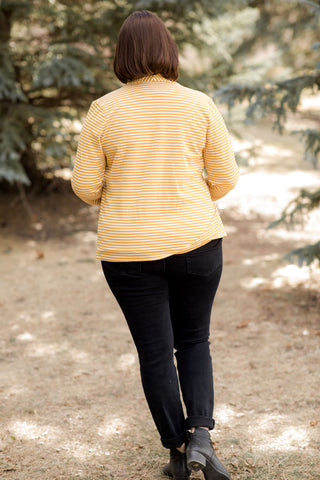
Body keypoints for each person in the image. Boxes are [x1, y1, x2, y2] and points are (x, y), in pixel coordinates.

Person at [71, 10, 239, 480]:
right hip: (198, 243)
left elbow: (86, 186)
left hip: (128, 251)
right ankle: (201, 437)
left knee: (155, 351)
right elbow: (225, 176)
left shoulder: (104, 110)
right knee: (194, 340)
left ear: (122, 55)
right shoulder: (199, 103)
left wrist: (125, 195)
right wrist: (182, 197)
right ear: (169, 50)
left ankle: (178, 450)